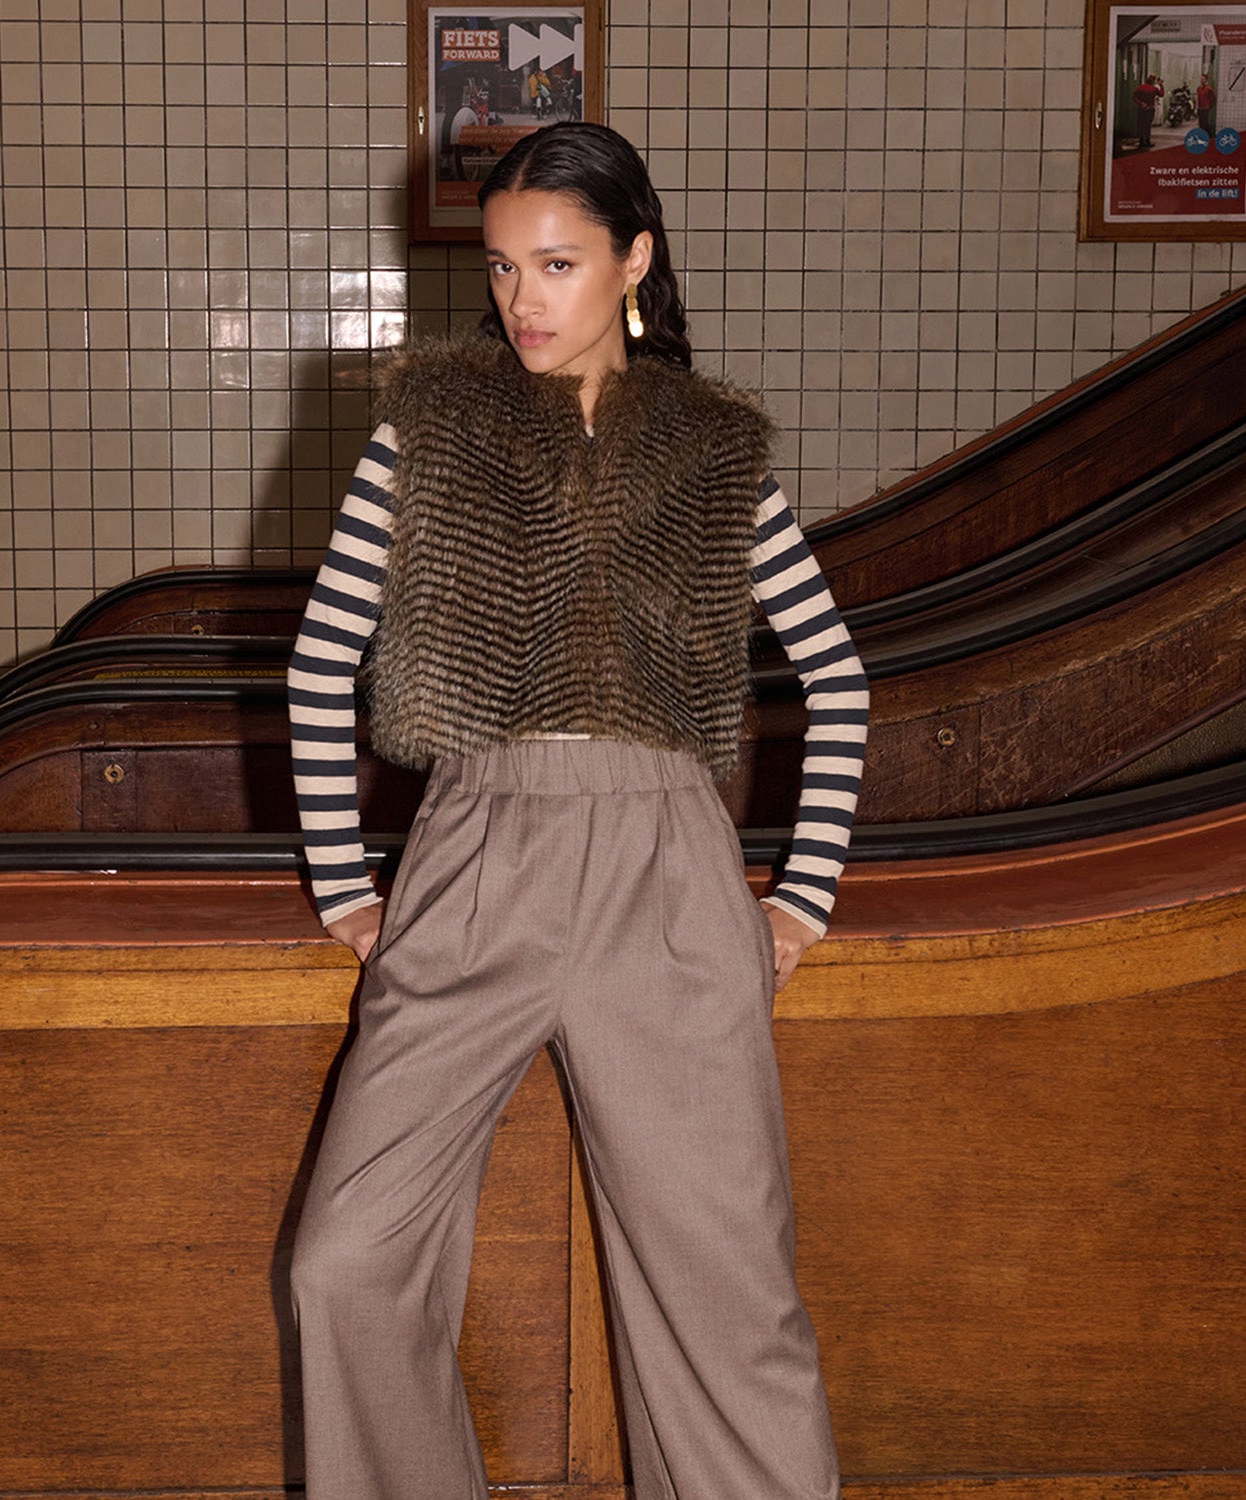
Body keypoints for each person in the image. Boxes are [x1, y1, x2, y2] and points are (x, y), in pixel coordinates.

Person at [287, 121, 868, 1500]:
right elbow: (318, 663)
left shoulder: (718, 450)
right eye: (501, 268)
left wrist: (802, 900)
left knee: (729, 1299)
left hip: (668, 876)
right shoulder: (428, 429)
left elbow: (837, 679)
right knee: (342, 1263)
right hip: (476, 856)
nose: (522, 300)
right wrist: (346, 890)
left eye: (556, 264)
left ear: (634, 261)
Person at [1134, 73, 1163, 147]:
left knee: (1141, 125)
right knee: (1147, 126)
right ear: (1153, 81)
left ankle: (1141, 141)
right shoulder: (1154, 89)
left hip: (1141, 108)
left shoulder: (1140, 87)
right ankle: (1147, 141)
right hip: (1150, 109)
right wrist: (1161, 85)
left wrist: (1140, 103)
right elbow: (1161, 94)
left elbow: (1134, 96)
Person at [1197, 73, 1216, 137]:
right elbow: (1198, 98)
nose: (1201, 80)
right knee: (1201, 123)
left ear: (1206, 80)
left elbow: (1213, 98)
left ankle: (1209, 136)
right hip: (1200, 107)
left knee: (1205, 123)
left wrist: (1209, 105)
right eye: (1201, 79)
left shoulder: (1209, 89)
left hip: (1205, 108)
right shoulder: (1199, 88)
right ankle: (1202, 135)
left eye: (1203, 79)